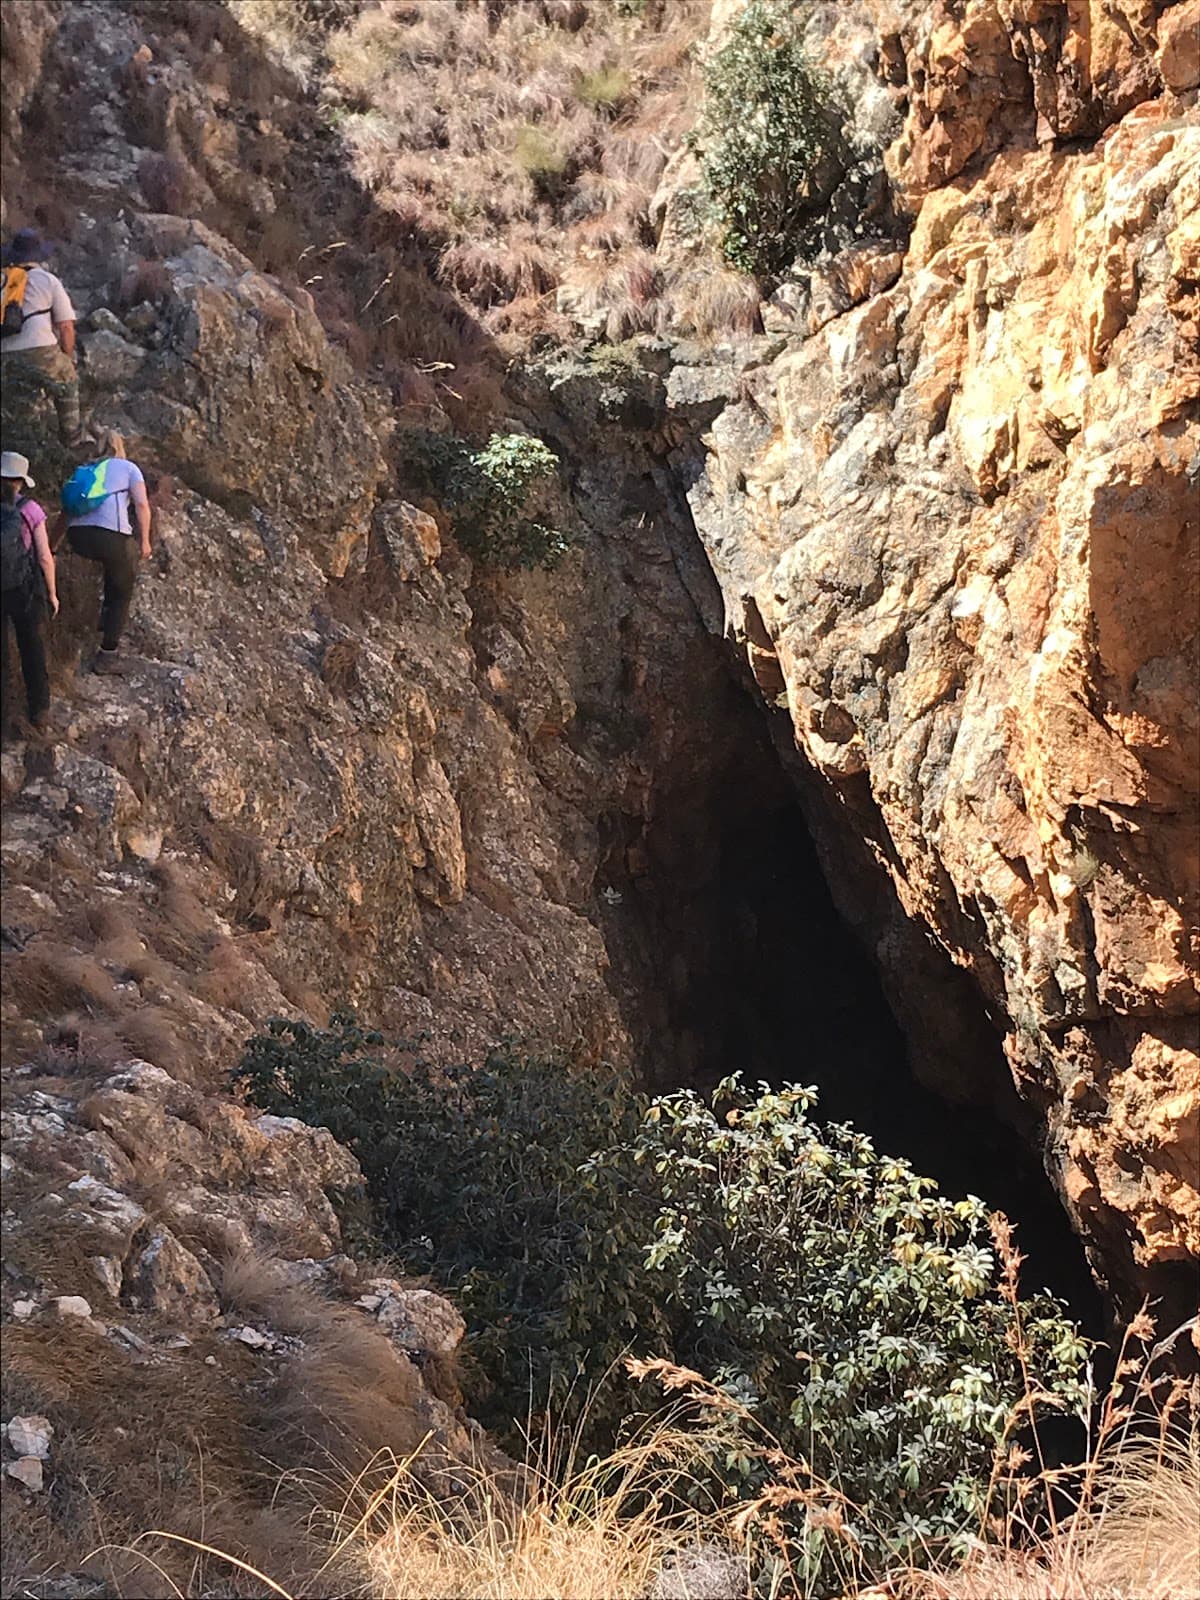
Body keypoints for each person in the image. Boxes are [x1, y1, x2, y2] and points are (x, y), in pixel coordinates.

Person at [60, 429, 151, 673]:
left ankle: (102, 621)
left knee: (115, 567)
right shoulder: (129, 468)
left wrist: (52, 545)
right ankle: (107, 655)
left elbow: (67, 510)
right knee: (123, 587)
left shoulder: (85, 470)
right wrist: (145, 541)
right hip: (109, 537)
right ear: (120, 447)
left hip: (77, 537)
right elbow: (142, 505)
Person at [0, 228, 85, 447]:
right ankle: (72, 437)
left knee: (15, 406)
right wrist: (67, 359)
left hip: (5, 354)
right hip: (41, 349)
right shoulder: (48, 280)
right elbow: (66, 327)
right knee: (67, 380)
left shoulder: (3, 280)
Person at [0, 450, 58, 735]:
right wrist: (52, 593)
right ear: (20, 481)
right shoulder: (30, 509)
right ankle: (39, 711)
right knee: (31, 647)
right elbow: (45, 556)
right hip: (23, 588)